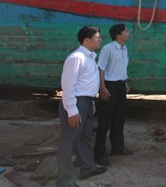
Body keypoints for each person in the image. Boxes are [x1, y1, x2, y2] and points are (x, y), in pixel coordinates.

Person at [56, 26, 107, 187]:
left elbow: (86, 84)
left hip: (86, 102)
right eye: (97, 37)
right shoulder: (77, 58)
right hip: (76, 103)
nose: (100, 39)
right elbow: (68, 86)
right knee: (68, 142)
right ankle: (65, 181)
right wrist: (72, 110)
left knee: (84, 137)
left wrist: (90, 102)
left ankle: (87, 167)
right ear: (86, 40)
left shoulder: (91, 58)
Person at [94, 24, 133, 166]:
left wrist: (125, 81)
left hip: (121, 86)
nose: (128, 33)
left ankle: (118, 147)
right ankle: (99, 154)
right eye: (126, 31)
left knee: (119, 118)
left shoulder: (124, 49)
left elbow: (121, 67)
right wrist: (102, 87)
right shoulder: (108, 48)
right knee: (104, 120)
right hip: (109, 86)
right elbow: (100, 68)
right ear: (118, 35)